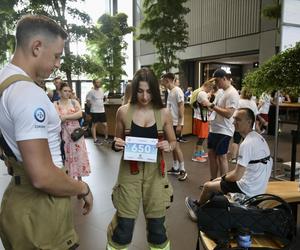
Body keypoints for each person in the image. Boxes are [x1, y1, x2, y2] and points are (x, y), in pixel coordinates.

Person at [0, 14, 93, 249]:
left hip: (18, 200)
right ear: (37, 47)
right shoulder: (28, 94)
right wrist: (82, 188)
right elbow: (42, 176)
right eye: (57, 55)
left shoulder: (5, 81)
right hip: (41, 209)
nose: (58, 63)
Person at [107, 68, 176, 250]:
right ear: (134, 90)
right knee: (123, 227)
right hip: (129, 173)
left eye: (149, 91)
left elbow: (173, 141)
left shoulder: (164, 113)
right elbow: (116, 140)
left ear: (155, 90)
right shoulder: (123, 112)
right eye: (140, 91)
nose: (145, 96)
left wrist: (169, 146)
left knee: (157, 228)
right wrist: (116, 144)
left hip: (156, 175)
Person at [185, 108, 272, 221]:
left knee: (207, 186)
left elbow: (237, 176)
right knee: (217, 180)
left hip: (248, 189)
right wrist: (221, 178)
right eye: (234, 119)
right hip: (259, 186)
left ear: (249, 122)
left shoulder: (247, 144)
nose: (233, 122)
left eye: (238, 120)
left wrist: (224, 178)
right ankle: (213, 206)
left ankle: (198, 210)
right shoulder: (258, 137)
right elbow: (240, 171)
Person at [201, 69, 239, 180]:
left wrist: (211, 106)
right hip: (214, 128)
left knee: (222, 156)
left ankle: (223, 183)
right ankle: (213, 181)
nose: (216, 84)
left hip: (224, 130)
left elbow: (229, 114)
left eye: (217, 81)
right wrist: (209, 105)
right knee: (211, 155)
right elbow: (216, 107)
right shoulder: (221, 91)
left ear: (224, 78)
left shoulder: (232, 93)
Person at [54, 82, 90, 181]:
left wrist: (65, 117)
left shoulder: (74, 102)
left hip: (76, 133)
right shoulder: (56, 103)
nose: (67, 93)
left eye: (69, 91)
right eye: (65, 91)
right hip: (64, 133)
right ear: (59, 92)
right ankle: (69, 180)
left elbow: (79, 114)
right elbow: (58, 118)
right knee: (67, 155)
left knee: (79, 154)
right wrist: (69, 117)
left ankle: (80, 180)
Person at [161, 73, 187, 181]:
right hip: (171, 123)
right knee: (173, 146)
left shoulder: (177, 90)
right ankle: (175, 167)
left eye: (163, 80)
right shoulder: (170, 91)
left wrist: (180, 123)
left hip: (176, 123)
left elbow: (181, 107)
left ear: (167, 80)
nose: (162, 83)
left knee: (176, 146)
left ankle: (183, 170)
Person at [229, 87, 258, 164]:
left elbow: (234, 113)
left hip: (239, 125)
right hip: (250, 126)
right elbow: (255, 115)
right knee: (248, 143)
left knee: (236, 142)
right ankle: (248, 158)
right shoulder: (253, 103)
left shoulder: (239, 101)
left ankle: (233, 158)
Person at [192, 78, 215, 163]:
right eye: (210, 88)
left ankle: (200, 152)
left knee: (202, 137)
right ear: (207, 86)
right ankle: (196, 156)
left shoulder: (199, 92)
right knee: (201, 138)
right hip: (201, 118)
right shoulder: (202, 93)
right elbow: (207, 104)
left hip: (201, 117)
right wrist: (215, 107)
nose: (210, 91)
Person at [86, 79, 109, 144]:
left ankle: (106, 138)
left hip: (102, 110)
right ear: (93, 83)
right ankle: (95, 139)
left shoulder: (102, 90)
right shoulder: (91, 92)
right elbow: (88, 102)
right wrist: (91, 108)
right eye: (97, 82)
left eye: (99, 82)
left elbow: (104, 99)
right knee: (94, 125)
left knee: (105, 125)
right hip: (94, 111)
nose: (98, 83)